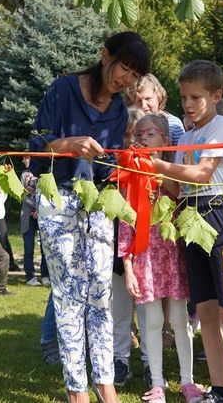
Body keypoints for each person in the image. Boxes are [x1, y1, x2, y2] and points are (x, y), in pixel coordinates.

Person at [29, 31, 151, 403]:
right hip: (57, 200)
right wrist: (68, 145)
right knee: (68, 296)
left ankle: (105, 385)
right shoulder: (62, 89)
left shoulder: (117, 109)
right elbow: (36, 151)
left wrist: (123, 160)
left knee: (101, 293)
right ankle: (76, 390)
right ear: (104, 55)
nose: (125, 79)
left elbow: (105, 167)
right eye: (123, 68)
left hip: (95, 203)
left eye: (134, 75)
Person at [153, 60, 223, 403]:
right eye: (184, 97)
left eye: (196, 97)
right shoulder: (185, 137)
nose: (187, 105)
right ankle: (219, 389)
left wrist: (157, 163)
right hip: (190, 220)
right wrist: (144, 164)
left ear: (216, 95)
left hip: (218, 220)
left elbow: (201, 175)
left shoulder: (222, 127)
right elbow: (175, 185)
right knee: (207, 311)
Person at [120, 114, 202, 403]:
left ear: (166, 141)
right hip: (145, 258)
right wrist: (127, 265)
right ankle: (157, 383)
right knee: (152, 321)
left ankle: (188, 381)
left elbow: (183, 196)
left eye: (150, 133)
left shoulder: (176, 172)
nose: (141, 138)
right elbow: (125, 223)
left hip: (173, 256)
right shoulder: (129, 178)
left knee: (180, 319)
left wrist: (160, 170)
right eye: (137, 134)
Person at [112, 105, 150, 387]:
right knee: (119, 308)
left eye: (136, 135)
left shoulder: (152, 166)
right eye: (126, 135)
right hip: (118, 248)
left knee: (149, 311)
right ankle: (120, 359)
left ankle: (151, 360)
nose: (131, 141)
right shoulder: (112, 166)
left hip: (148, 251)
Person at [125, 74, 186, 146]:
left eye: (148, 99)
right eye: (139, 100)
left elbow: (183, 153)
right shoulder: (128, 123)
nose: (144, 105)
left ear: (159, 97)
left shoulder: (174, 124)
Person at [20, 155, 49, 286]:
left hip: (42, 214)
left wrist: (40, 208)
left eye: (26, 158)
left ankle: (45, 274)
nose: (23, 161)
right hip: (28, 215)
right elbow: (22, 194)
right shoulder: (24, 175)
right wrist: (35, 207)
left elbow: (47, 193)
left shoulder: (44, 173)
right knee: (29, 247)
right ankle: (30, 276)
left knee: (45, 246)